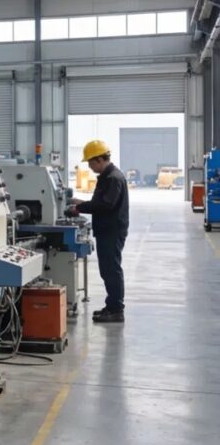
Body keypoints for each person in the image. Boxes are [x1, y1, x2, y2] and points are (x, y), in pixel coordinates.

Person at [66, 139, 129, 324]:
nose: (90, 166)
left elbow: (106, 205)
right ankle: (111, 306)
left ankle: (116, 310)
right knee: (107, 270)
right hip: (107, 229)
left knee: (111, 270)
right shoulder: (108, 177)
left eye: (90, 163)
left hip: (112, 231)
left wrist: (79, 208)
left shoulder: (113, 178)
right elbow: (100, 202)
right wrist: (80, 202)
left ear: (100, 160)